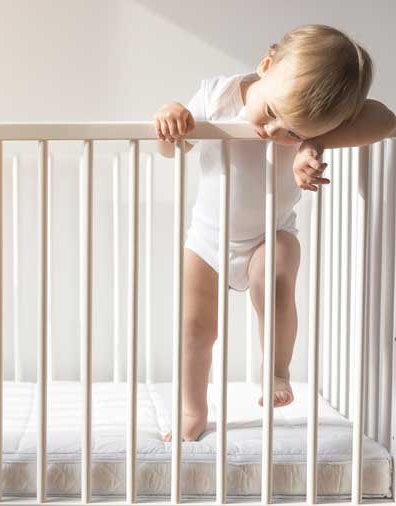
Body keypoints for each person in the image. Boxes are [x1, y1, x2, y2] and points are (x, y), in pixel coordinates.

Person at [152, 24, 396, 442]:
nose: (272, 131)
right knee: (195, 327)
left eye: (292, 130)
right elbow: (170, 148)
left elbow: (387, 120)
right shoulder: (215, 98)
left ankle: (276, 369)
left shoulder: (309, 131)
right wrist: (170, 117)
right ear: (265, 66)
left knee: (276, 278)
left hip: (271, 234)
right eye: (271, 113)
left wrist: (314, 143)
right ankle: (192, 408)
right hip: (208, 241)